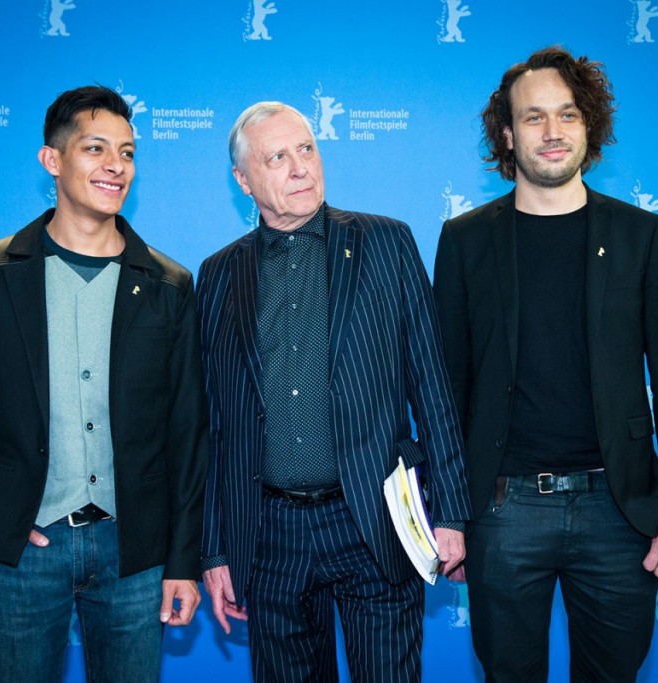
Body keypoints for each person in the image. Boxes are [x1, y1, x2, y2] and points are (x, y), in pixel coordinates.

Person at [433, 47, 658, 682]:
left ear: (590, 126)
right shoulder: (466, 240)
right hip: (503, 512)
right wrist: (449, 513)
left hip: (621, 511)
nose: (553, 133)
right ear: (507, 133)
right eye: (533, 118)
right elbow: (445, 386)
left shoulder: (641, 235)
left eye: (568, 115)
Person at [0, 85, 208, 683]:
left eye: (127, 153)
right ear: (52, 160)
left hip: (135, 556)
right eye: (96, 148)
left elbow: (188, 433)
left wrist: (182, 561)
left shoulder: (168, 284)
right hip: (24, 550)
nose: (115, 166)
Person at [196, 101, 471, 682]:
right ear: (243, 180)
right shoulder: (218, 273)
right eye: (277, 157)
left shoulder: (386, 243)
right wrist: (216, 550)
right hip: (269, 535)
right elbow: (213, 425)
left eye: (307, 149)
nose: (300, 167)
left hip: (373, 520)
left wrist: (451, 512)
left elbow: (432, 386)